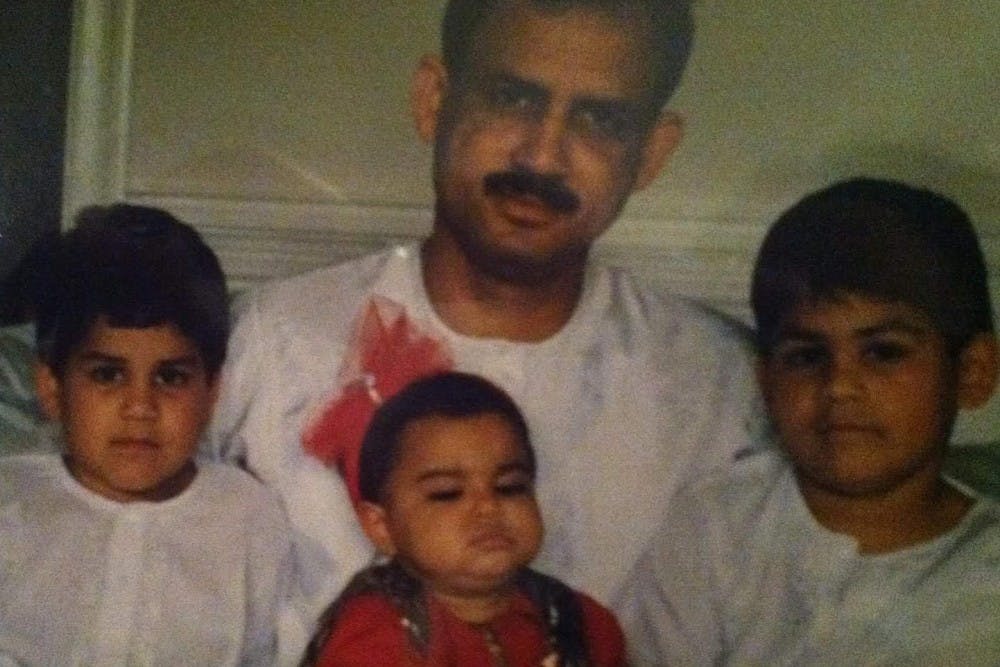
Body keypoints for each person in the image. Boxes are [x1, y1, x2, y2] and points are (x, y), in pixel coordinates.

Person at [207, 0, 765, 653]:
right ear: (433, 100)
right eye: (511, 98)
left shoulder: (719, 390)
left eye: (600, 120)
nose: (543, 156)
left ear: (650, 154)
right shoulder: (267, 344)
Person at [615, 178, 1000, 665]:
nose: (839, 385)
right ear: (767, 381)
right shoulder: (713, 532)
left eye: (883, 352)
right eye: (807, 357)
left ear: (972, 372)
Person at [0, 205, 292, 665]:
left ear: (211, 392)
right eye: (108, 374)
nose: (140, 407)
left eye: (170, 377)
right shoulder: (12, 504)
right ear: (52, 389)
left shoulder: (248, 518)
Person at [303, 371, 625, 666]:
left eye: (510, 487)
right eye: (447, 493)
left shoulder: (584, 625)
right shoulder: (371, 638)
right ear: (381, 526)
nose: (488, 507)